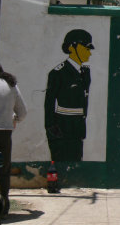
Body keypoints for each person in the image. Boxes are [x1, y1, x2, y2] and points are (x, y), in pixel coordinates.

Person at [44, 29, 94, 161]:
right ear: (72, 47)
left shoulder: (84, 72)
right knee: (61, 163)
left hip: (77, 128)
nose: (89, 52)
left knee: (76, 163)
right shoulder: (58, 73)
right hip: (62, 127)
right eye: (85, 48)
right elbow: (49, 103)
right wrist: (51, 130)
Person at [0, 59, 27, 216]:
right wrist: (14, 120)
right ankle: (3, 207)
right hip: (5, 134)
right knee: (3, 171)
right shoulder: (11, 85)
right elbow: (22, 113)